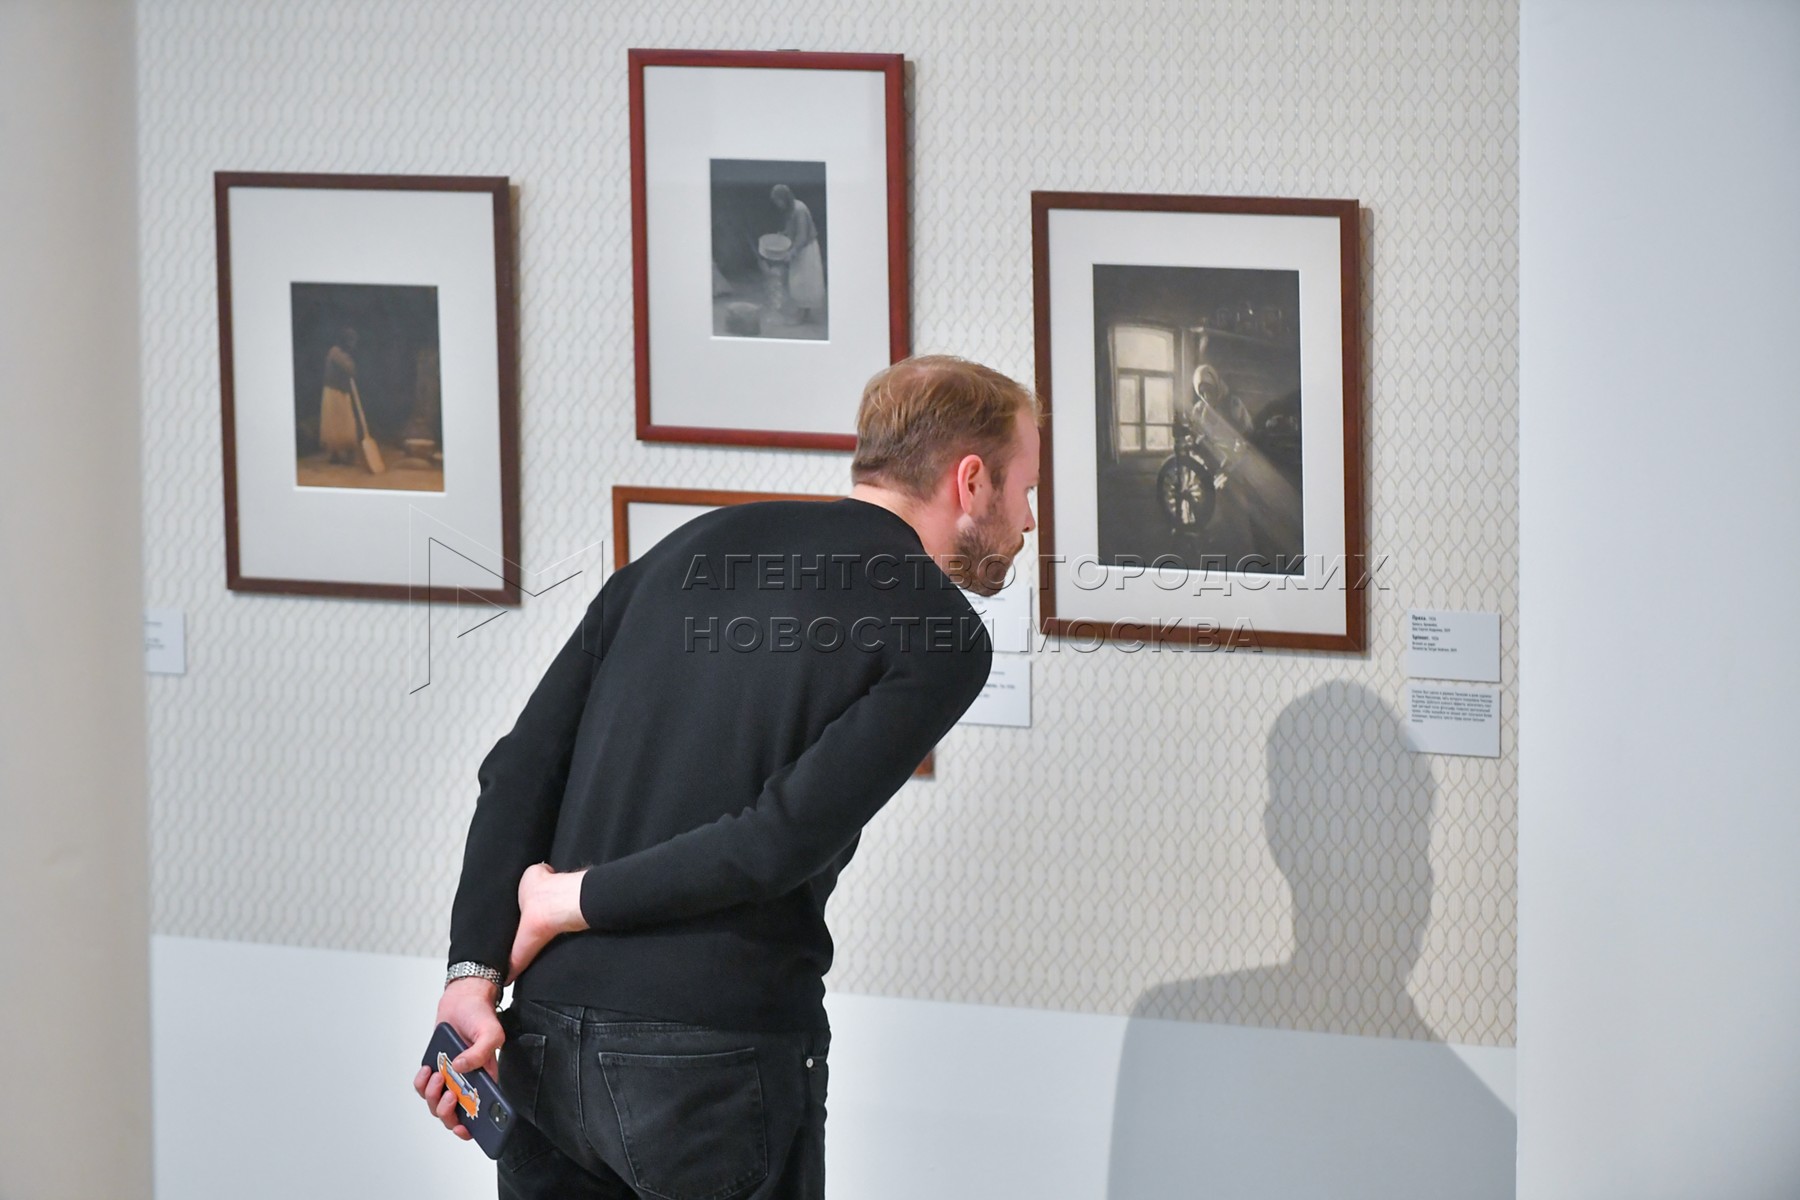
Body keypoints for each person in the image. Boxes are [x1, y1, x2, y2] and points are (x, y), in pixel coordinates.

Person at [413, 355, 1042, 1198]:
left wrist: (471, 975)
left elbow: (517, 770)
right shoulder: (943, 631)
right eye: (1026, 490)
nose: (1028, 521)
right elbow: (777, 840)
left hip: (544, 1036)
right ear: (970, 481)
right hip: (709, 1054)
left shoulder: (686, 550)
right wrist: (570, 899)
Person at [770, 183, 825, 326]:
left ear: (785, 198)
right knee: (797, 282)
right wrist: (783, 234)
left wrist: (792, 253)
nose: (778, 204)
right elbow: (792, 229)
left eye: (778, 201)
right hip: (798, 248)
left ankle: (804, 314)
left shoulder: (799, 209)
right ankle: (801, 311)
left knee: (805, 282)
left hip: (806, 250)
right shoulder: (791, 209)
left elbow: (802, 235)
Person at [318, 326, 360, 466]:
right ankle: (335, 453)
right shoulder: (335, 352)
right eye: (351, 340)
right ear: (344, 340)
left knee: (346, 422)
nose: (353, 344)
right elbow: (349, 368)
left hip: (342, 392)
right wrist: (350, 360)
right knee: (335, 423)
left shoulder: (343, 354)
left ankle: (348, 451)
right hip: (334, 392)